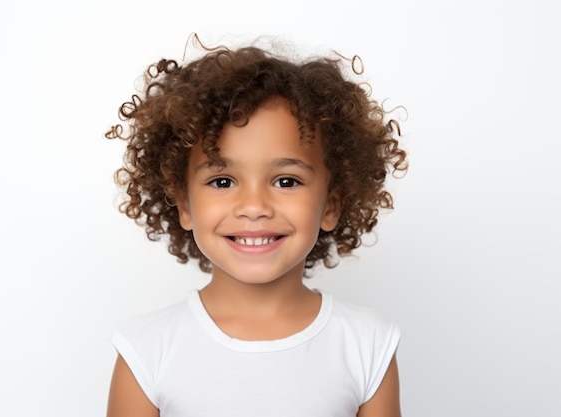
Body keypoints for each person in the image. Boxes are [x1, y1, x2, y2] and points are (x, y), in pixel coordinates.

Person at [104, 37, 408, 417]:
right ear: (184, 204)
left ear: (330, 205)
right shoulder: (146, 350)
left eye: (286, 181)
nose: (253, 207)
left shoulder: (367, 344)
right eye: (222, 182)